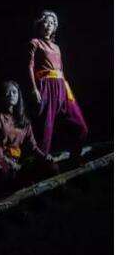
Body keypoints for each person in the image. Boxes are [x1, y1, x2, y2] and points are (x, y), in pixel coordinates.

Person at [28, 10, 88, 154]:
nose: (50, 25)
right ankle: (42, 162)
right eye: (47, 22)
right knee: (46, 127)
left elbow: (61, 69)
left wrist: (67, 90)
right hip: (46, 85)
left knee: (81, 125)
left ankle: (75, 155)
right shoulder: (35, 43)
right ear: (40, 24)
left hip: (62, 85)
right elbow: (29, 66)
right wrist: (34, 89)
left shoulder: (57, 47)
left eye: (53, 23)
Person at [0, 81, 58, 193]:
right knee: (4, 173)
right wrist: (5, 160)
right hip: (0, 159)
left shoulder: (23, 120)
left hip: (18, 160)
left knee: (51, 166)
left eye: (14, 92)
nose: (11, 94)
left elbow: (33, 146)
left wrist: (44, 156)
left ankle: (52, 195)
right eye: (7, 92)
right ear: (2, 95)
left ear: (18, 95)